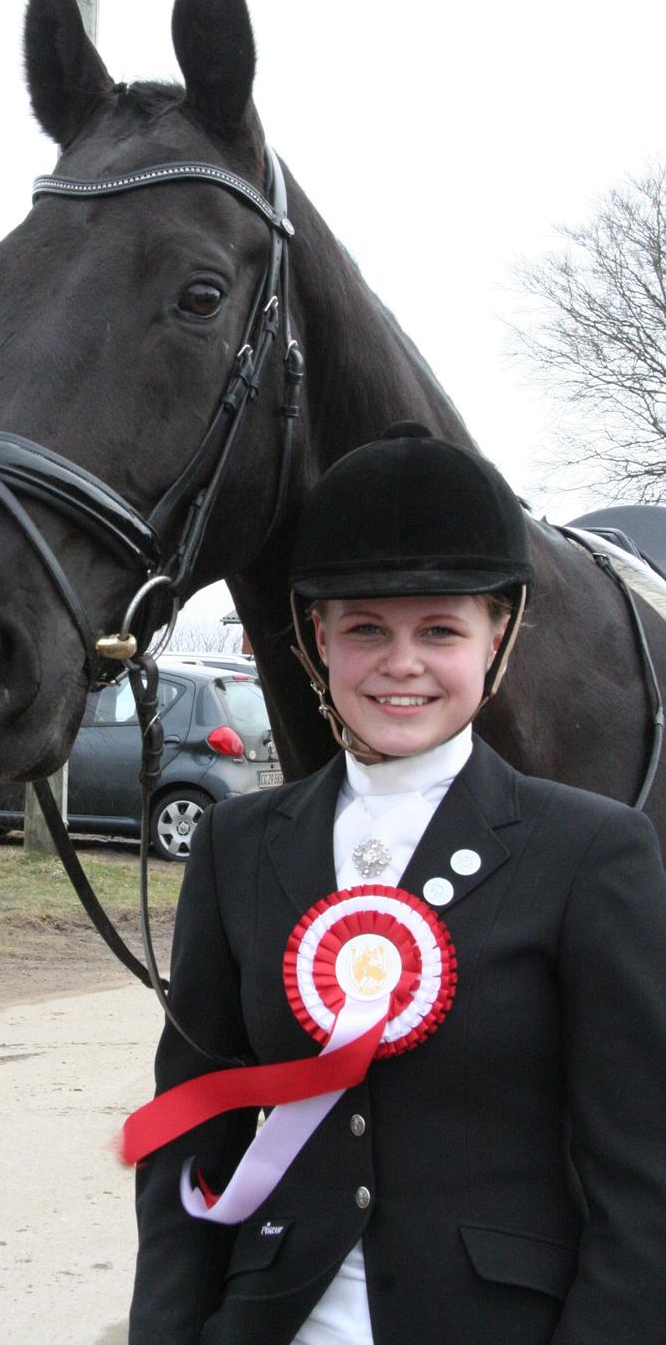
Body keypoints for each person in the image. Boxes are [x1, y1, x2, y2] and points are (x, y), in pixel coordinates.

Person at [128, 422, 666, 1345]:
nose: (401, 663)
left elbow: (641, 1173)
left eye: (440, 630)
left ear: (498, 636)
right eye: (366, 628)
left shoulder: (592, 850)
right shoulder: (239, 842)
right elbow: (193, 1126)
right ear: (317, 639)